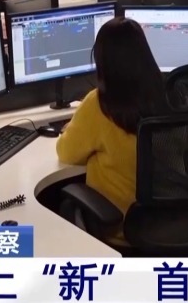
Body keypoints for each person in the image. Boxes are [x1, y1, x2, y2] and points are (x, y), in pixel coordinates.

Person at [56, 17, 167, 241]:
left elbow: (66, 153)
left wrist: (74, 129)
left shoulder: (99, 104)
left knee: (62, 206)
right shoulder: (167, 95)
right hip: (170, 225)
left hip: (118, 230)